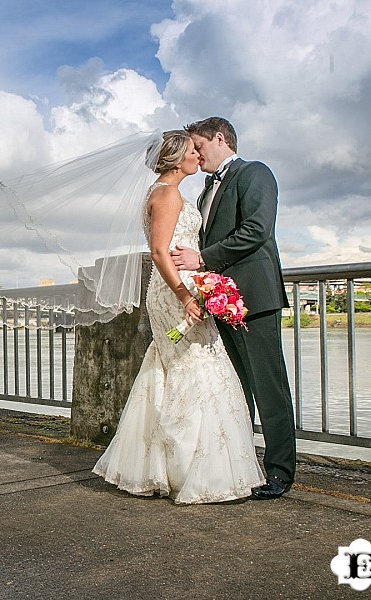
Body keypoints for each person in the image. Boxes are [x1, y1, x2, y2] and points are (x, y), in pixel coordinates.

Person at [93, 130, 264, 504]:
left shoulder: (166, 192)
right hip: (175, 294)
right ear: (175, 160)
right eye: (192, 150)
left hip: (177, 289)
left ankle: (166, 466)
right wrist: (187, 295)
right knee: (199, 367)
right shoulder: (167, 194)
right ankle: (195, 471)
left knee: (173, 367)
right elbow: (158, 251)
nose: (198, 156)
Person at [171, 117, 296, 500]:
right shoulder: (204, 191)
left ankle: (280, 471)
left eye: (198, 145)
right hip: (220, 300)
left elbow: (257, 229)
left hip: (255, 299)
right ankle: (243, 464)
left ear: (219, 138)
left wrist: (202, 259)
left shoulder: (255, 173)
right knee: (236, 388)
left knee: (268, 387)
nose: (195, 153)